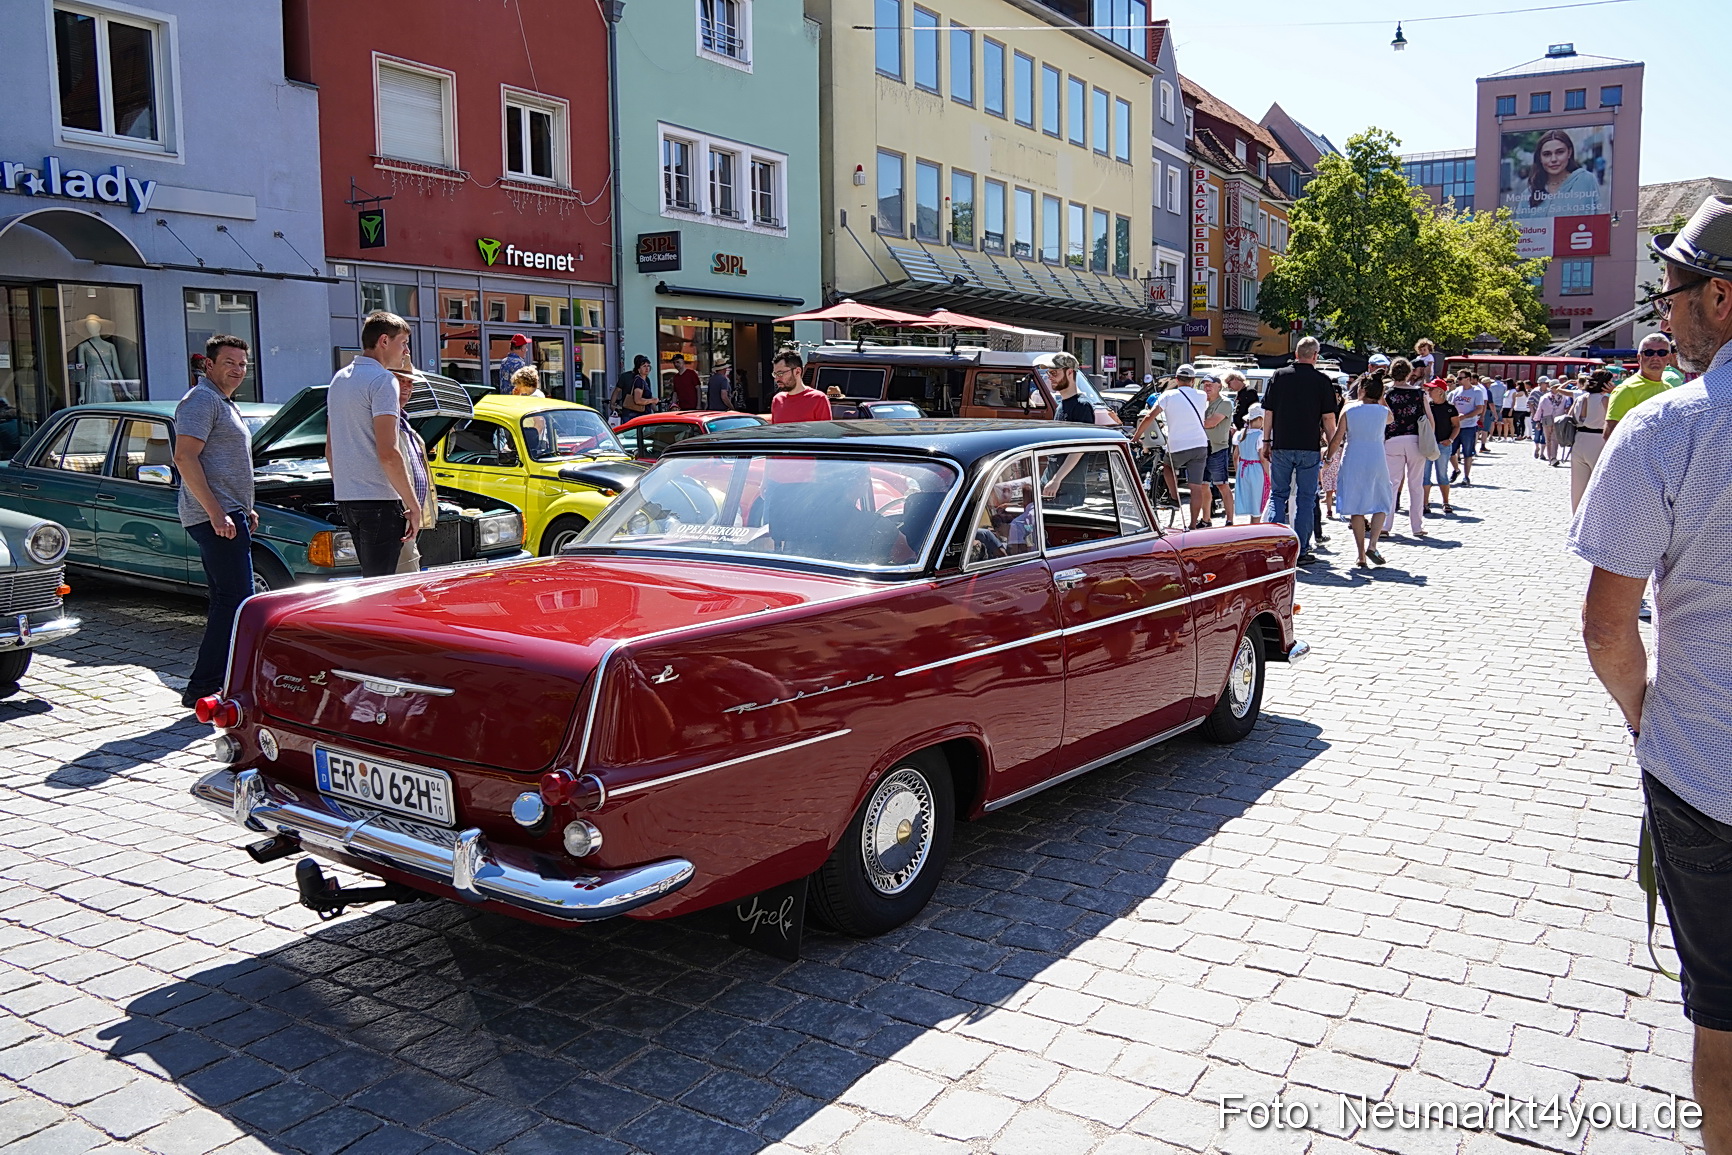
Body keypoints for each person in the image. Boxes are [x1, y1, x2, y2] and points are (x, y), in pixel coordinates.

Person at [1570, 192, 1732, 1155]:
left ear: (1720, 297)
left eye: (1669, 293)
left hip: (1707, 771)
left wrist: (1647, 717)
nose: (1660, 316)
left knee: (1722, 1015)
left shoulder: (1668, 432)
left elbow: (1605, 628)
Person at [173, 335, 258, 710]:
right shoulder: (201, 400)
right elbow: (184, 458)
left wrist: (244, 507)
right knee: (238, 603)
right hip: (214, 517)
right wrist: (216, 512)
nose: (238, 370)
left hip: (229, 514)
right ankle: (204, 687)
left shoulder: (223, 402)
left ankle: (213, 683)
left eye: (242, 364)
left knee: (228, 602)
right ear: (209, 365)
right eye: (230, 362)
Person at [327, 311, 424, 578]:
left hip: (349, 499)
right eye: (403, 342)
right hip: (380, 501)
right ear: (384, 341)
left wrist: (346, 487)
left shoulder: (338, 379)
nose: (405, 351)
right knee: (384, 591)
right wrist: (413, 505)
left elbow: (330, 448)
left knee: (371, 583)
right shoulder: (383, 380)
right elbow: (389, 453)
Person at [1258, 337, 1339, 565]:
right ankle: (1301, 551)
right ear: (1315, 355)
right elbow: (1328, 419)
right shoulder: (1322, 381)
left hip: (1282, 444)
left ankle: (1271, 547)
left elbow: (1269, 412)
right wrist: (1332, 450)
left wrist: (1266, 441)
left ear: (1296, 354)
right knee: (1306, 499)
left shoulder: (1279, 376)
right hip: (1309, 448)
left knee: (1278, 495)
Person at [1325, 375, 1394, 567]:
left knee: (1356, 506)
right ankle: (1373, 545)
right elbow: (1391, 418)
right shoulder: (1382, 411)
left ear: (1361, 389)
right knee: (1382, 501)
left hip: (1353, 457)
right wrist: (1381, 397)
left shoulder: (1349, 409)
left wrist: (1329, 458)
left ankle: (1360, 554)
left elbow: (1338, 437)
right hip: (1376, 457)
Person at [1138, 366, 1210, 529]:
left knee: (1168, 466)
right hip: (1200, 444)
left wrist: (1136, 436)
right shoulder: (1202, 395)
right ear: (1193, 381)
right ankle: (1192, 524)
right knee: (1196, 487)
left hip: (1178, 445)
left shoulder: (1168, 395)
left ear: (1176, 380)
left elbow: (1149, 416)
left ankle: (1174, 496)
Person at [393, 369, 437, 574]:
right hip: (397, 515)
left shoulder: (406, 425)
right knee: (406, 583)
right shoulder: (387, 424)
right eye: (400, 381)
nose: (407, 387)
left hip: (411, 517)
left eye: (410, 383)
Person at [1381, 358, 1430, 539]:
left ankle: (1386, 525)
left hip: (1392, 440)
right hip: (1415, 440)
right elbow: (1429, 418)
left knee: (1391, 484)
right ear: (1410, 373)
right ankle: (1417, 526)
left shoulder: (1387, 393)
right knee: (1415, 485)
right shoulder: (1419, 394)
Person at [1605, 334, 1678, 441]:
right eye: (1649, 353)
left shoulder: (1669, 388)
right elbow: (1609, 435)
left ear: (1669, 358)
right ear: (1639, 357)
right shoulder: (1626, 389)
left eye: (1662, 353)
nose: (1655, 357)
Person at [1568, 369, 1615, 511]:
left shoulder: (1580, 398)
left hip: (1579, 438)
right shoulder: (1606, 399)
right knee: (1601, 483)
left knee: (1578, 485)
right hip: (1598, 439)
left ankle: (1576, 516)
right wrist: (1615, 392)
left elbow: (1570, 416)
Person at [1199, 374, 1237, 527]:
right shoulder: (1202, 403)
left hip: (1217, 449)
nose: (1207, 387)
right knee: (1203, 485)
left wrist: (1191, 421)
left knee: (1222, 485)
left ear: (1219, 386)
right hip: (1202, 448)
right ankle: (1206, 519)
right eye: (1205, 384)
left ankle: (1229, 520)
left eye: (1210, 384)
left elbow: (1210, 423)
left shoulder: (1225, 403)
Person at [1422, 380, 1458, 515]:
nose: (1429, 392)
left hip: (1443, 445)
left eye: (1432, 389)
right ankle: (1425, 503)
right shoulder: (1427, 406)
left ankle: (1446, 502)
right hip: (1428, 444)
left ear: (1440, 391)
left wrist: (1450, 440)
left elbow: (1456, 426)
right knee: (1424, 476)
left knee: (1442, 475)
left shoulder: (1450, 408)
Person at [1447, 369, 1487, 484]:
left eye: (1460, 378)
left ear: (1468, 379)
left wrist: (1465, 416)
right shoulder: (1456, 391)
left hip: (1469, 426)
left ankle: (1466, 476)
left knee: (1467, 452)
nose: (1457, 380)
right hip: (1455, 426)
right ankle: (1456, 469)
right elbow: (1450, 406)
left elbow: (1479, 408)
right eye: (1457, 378)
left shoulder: (1476, 391)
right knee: (1450, 451)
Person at [769, 351, 830, 423]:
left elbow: (826, 433)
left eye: (780, 373)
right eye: (775, 374)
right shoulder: (777, 400)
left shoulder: (818, 399)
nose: (776, 379)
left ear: (797, 372)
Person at [1235, 404, 1268, 524]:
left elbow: (1235, 456)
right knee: (1257, 503)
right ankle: (1256, 529)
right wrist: (1269, 474)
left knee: (1250, 502)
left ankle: (1252, 526)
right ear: (1260, 419)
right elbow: (1263, 458)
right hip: (1256, 470)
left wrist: (1238, 471)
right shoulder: (1260, 436)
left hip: (1243, 471)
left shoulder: (1241, 434)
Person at [1533, 378, 1569, 464]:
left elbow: (1566, 408)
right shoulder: (1545, 397)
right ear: (1551, 388)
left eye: (1558, 386)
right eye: (1555, 387)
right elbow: (1539, 409)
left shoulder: (1564, 397)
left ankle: (1554, 457)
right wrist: (1537, 421)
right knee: (1548, 439)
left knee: (1555, 439)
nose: (1556, 388)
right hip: (1547, 419)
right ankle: (1550, 458)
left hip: (1558, 419)